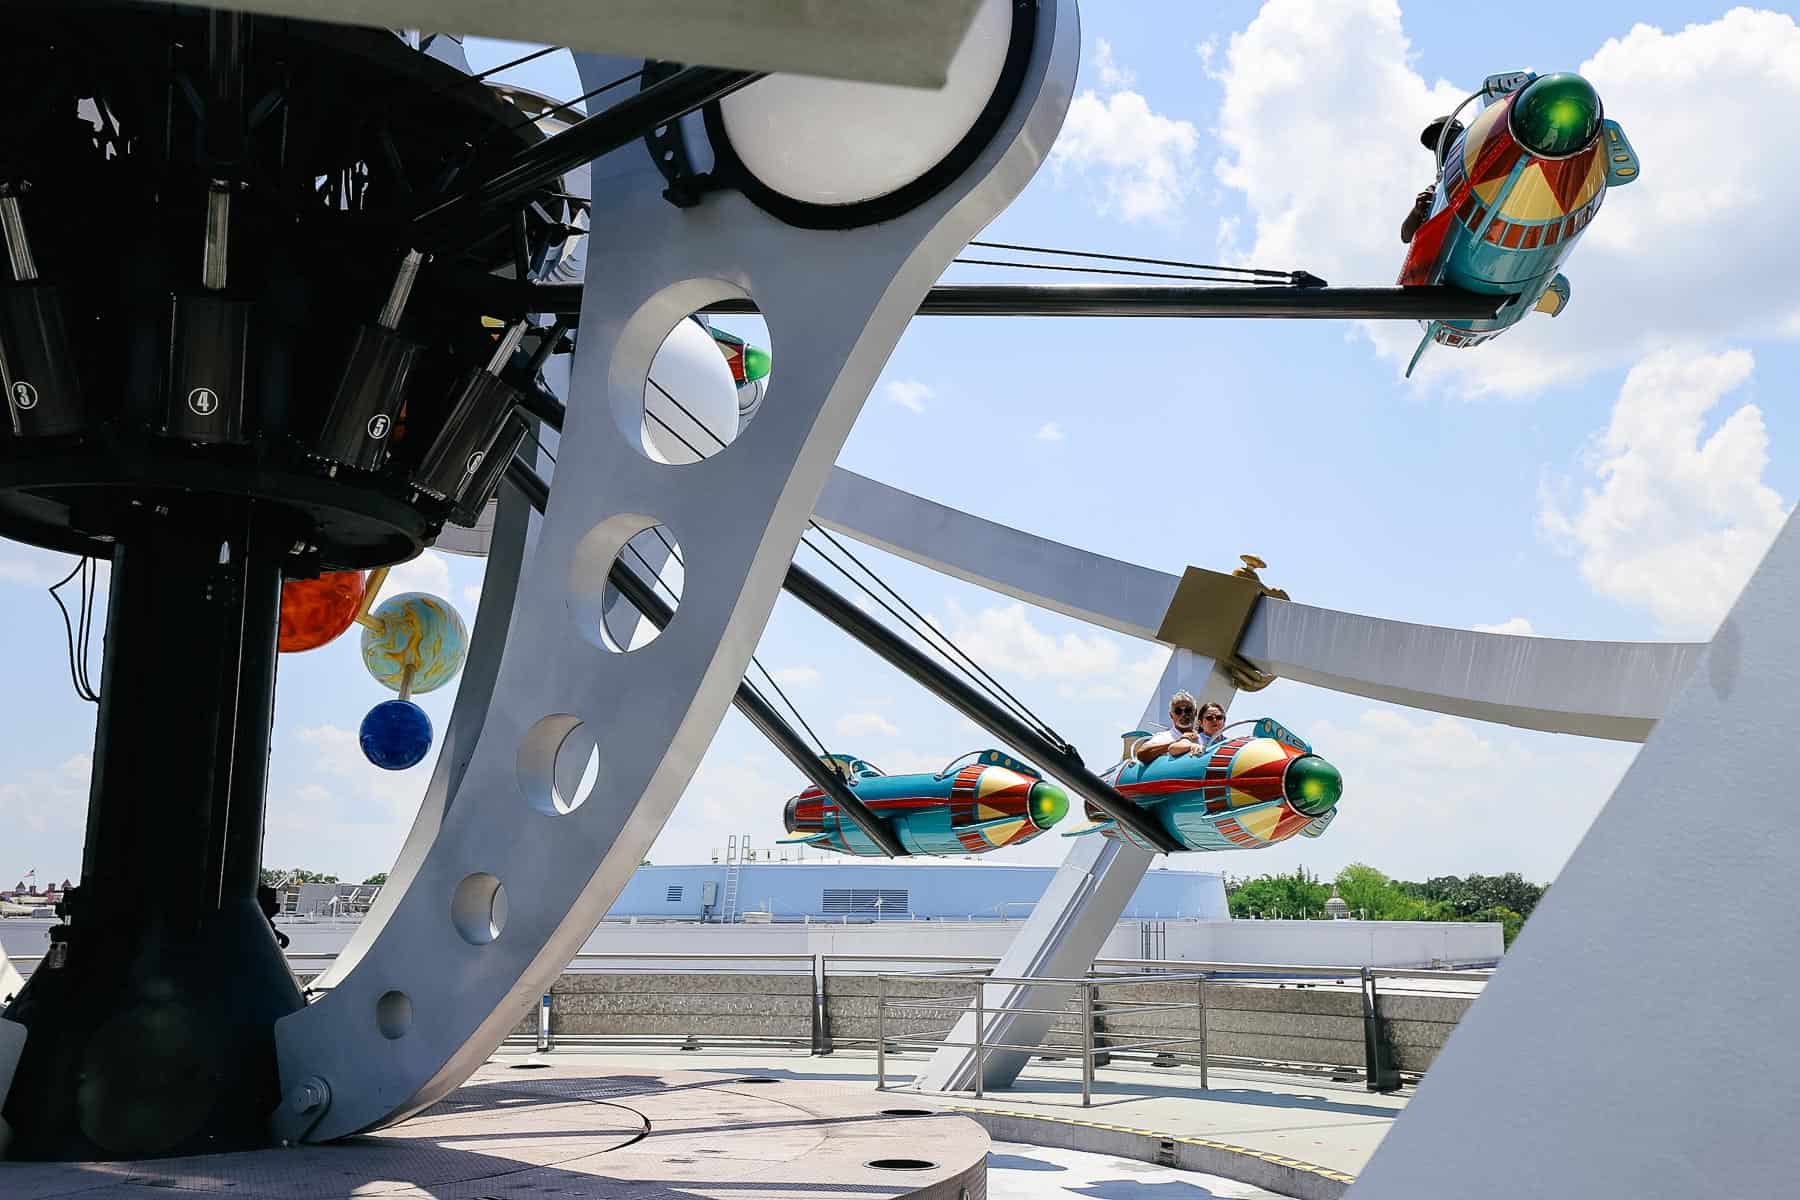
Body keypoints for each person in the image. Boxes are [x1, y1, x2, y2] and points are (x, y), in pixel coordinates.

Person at [1401, 115, 1466, 244]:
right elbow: (1406, 236)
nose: (1437, 145)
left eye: (1442, 136)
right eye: (1434, 144)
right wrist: (1417, 211)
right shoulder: (1436, 189)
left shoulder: (1481, 160)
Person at [1136, 691, 1208, 765]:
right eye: (1178, 711)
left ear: (1195, 712)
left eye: (1188, 710)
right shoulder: (1164, 737)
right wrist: (1177, 743)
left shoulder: (1204, 739)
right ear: (1171, 715)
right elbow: (1141, 754)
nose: (1183, 714)